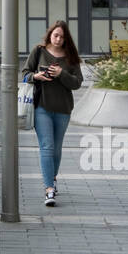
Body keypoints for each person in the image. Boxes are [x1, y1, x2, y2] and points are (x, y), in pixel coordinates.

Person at [22, 20, 83, 208]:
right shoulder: (38, 51)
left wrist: (61, 74)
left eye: (62, 37)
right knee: (47, 147)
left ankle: (53, 178)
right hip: (42, 107)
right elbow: (24, 73)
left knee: (56, 149)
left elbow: (77, 83)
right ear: (50, 35)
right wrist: (36, 76)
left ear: (66, 39)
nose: (58, 39)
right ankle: (49, 189)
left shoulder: (70, 57)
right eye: (55, 35)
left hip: (63, 109)